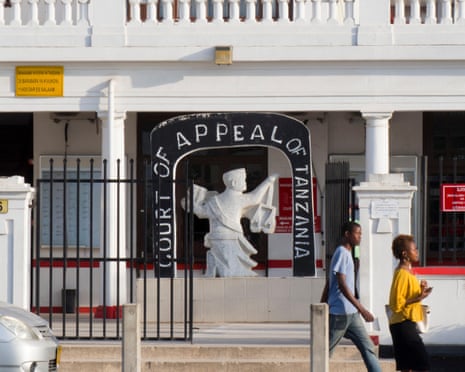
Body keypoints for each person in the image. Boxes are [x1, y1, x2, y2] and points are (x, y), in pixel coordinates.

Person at [185, 168, 277, 277]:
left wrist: (192, 204)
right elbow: (255, 198)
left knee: (227, 266)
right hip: (231, 238)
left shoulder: (214, 200)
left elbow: (201, 213)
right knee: (232, 269)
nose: (245, 183)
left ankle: (216, 275)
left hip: (216, 238)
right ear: (233, 183)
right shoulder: (238, 199)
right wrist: (268, 181)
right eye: (243, 180)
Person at [321, 221, 381, 372]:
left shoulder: (347, 253)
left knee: (368, 348)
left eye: (361, 234)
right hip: (340, 313)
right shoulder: (341, 252)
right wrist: (362, 309)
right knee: (325, 352)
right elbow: (340, 283)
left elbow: (330, 281)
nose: (360, 237)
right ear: (347, 234)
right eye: (357, 233)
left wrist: (322, 303)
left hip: (351, 315)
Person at [388, 234, 432, 372]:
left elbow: (406, 295)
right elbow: (396, 303)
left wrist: (421, 290)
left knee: (408, 367)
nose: (417, 252)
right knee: (422, 364)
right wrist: (418, 298)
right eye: (414, 249)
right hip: (402, 324)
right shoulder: (401, 273)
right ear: (405, 254)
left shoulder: (408, 272)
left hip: (405, 323)